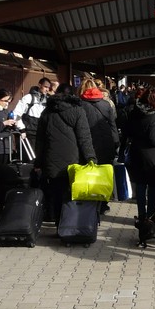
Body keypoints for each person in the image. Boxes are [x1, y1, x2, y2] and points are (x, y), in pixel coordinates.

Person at [34, 83, 97, 225]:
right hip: (73, 159)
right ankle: (69, 225)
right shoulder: (78, 111)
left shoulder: (47, 112)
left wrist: (38, 161)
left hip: (51, 158)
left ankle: (57, 221)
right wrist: (90, 158)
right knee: (71, 192)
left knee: (56, 192)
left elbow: (40, 140)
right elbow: (84, 138)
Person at [125, 86, 155, 230]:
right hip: (150, 156)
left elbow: (128, 130)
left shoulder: (135, 111)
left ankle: (141, 215)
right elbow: (154, 139)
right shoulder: (152, 116)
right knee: (153, 186)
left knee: (140, 186)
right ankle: (150, 216)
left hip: (136, 153)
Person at [78, 77, 120, 213]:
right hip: (106, 142)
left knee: (89, 171)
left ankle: (89, 200)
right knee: (104, 174)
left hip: (88, 142)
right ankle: (103, 203)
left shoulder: (80, 105)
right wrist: (115, 143)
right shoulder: (106, 104)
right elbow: (113, 125)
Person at [11, 77, 51, 151]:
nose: (47, 89)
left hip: (42, 134)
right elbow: (17, 114)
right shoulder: (28, 98)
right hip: (29, 134)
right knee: (30, 159)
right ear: (39, 85)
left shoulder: (48, 100)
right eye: (45, 87)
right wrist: (22, 129)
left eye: (49, 87)